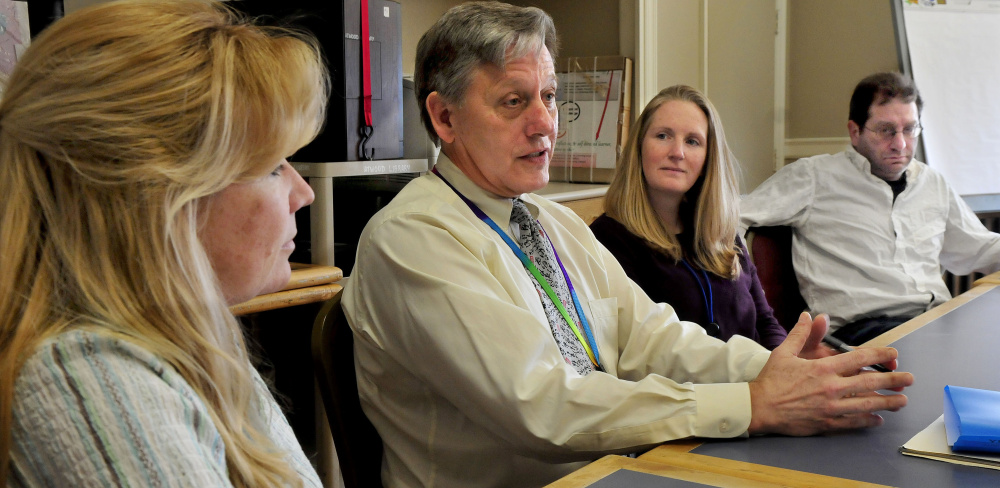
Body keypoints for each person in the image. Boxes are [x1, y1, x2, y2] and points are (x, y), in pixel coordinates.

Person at [342, 3, 913, 487]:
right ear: (443, 116)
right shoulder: (412, 237)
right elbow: (545, 407)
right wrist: (750, 403)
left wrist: (776, 372)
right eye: (514, 102)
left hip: (614, 468)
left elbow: (649, 335)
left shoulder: (548, 219)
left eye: (548, 95)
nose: (545, 123)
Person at [0, 1, 329, 485]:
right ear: (159, 200)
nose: (305, 193)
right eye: (272, 167)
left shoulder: (193, 341)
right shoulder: (96, 380)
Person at [740, 72, 1000, 345]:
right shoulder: (814, 177)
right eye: (886, 130)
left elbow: (980, 248)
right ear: (855, 131)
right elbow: (734, 213)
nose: (900, 144)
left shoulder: (931, 182)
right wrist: (734, 277)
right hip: (864, 333)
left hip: (937, 321)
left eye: (910, 129)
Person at [591, 85, 786, 350]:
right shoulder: (607, 239)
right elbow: (634, 352)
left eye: (692, 141)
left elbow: (765, 322)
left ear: (708, 159)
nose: (677, 152)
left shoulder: (723, 233)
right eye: (662, 136)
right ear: (639, 148)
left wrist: (786, 365)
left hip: (759, 382)